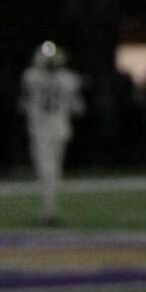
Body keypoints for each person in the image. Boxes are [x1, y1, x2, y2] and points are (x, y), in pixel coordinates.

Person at [18, 41, 85, 224]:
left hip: (41, 130)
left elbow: (23, 104)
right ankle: (50, 207)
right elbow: (78, 108)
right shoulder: (69, 78)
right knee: (54, 169)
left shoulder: (30, 76)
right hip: (61, 129)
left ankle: (49, 210)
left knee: (46, 171)